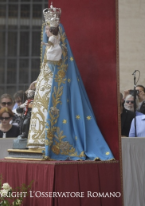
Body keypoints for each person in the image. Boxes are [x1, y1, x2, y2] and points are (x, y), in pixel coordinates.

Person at [27, 3, 114, 160]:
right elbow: (45, 67)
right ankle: (38, 142)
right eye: (46, 29)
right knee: (40, 111)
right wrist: (37, 80)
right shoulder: (50, 47)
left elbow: (56, 68)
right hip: (44, 84)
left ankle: (50, 143)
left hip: (53, 85)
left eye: (49, 29)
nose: (46, 32)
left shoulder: (58, 48)